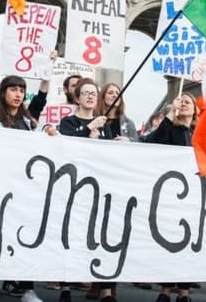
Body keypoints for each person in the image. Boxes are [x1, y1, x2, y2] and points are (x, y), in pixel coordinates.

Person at [0, 45, 44, 302]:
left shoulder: (29, 120)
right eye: (13, 89)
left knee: (24, 234)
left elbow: (42, 96)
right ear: (3, 93)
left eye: (22, 89)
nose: (18, 93)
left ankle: (26, 288)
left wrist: (47, 65)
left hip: (22, 188)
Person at [56, 78, 118, 302]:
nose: (91, 96)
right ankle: (65, 287)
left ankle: (106, 289)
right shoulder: (68, 122)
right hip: (73, 187)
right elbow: (66, 146)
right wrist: (88, 129)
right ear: (77, 97)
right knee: (69, 235)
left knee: (103, 236)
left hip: (99, 188)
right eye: (86, 93)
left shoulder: (105, 126)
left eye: (94, 93)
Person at [144, 92, 197, 302]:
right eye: (179, 102)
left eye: (187, 102)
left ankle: (184, 292)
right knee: (170, 244)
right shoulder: (169, 129)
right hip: (170, 195)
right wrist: (170, 115)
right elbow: (152, 142)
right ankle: (165, 290)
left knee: (188, 246)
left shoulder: (198, 133)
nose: (183, 104)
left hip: (193, 197)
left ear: (195, 110)